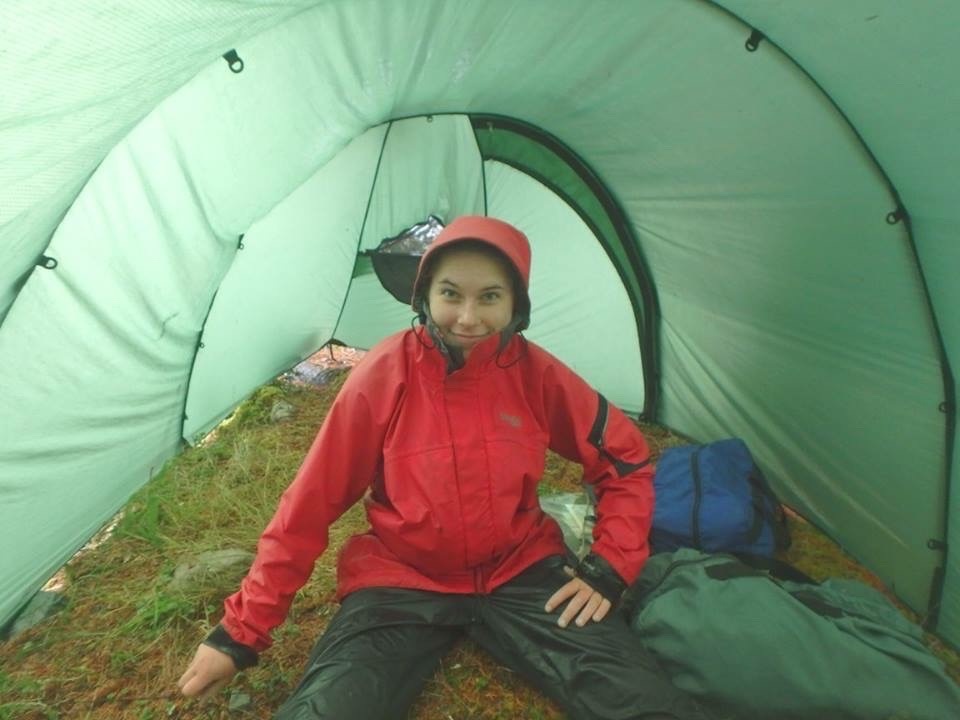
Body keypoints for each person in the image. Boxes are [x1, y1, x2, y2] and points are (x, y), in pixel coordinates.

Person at [177, 215, 711, 719]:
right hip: (402, 578)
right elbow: (308, 508)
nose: (468, 317)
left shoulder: (537, 375)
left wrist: (609, 567)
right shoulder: (384, 375)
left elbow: (624, 460)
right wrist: (240, 633)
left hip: (521, 570)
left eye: (490, 297)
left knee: (646, 702)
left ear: (516, 306)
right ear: (426, 294)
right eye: (451, 294)